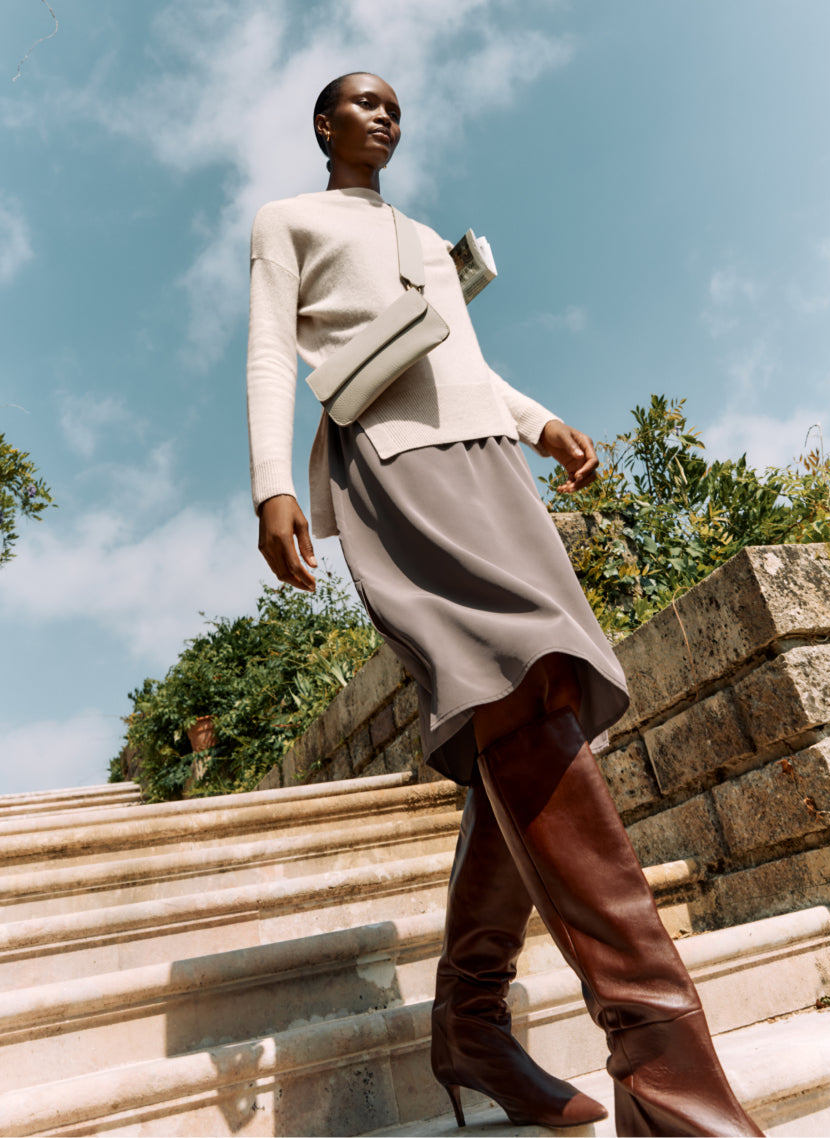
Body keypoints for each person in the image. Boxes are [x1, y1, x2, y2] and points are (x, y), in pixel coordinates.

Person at [246, 71, 763, 1137]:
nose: (384, 115)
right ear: (322, 124)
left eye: (395, 103)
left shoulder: (429, 235)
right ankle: (670, 1081)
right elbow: (269, 346)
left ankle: (470, 1020)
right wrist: (272, 483)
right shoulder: (286, 219)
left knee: (544, 691)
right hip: (392, 461)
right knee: (519, 686)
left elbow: (461, 356)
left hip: (485, 457)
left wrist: (541, 422)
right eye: (361, 101)